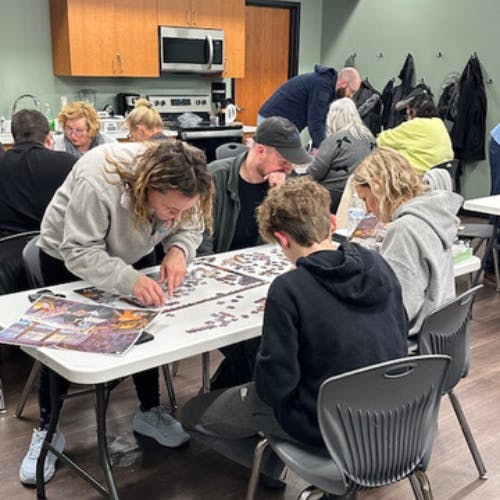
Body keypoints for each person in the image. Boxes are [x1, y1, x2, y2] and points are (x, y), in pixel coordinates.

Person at [181, 176, 408, 481]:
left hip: (324, 425)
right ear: (330, 223)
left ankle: (276, 471)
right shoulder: (376, 262)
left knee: (191, 414)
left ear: (283, 240)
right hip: (397, 413)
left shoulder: (288, 289)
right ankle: (279, 461)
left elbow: (276, 387)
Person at [19, 140, 213, 486]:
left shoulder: (190, 176)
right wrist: (127, 279)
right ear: (147, 186)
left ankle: (149, 412)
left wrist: (179, 250)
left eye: (183, 209)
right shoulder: (98, 178)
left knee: (147, 329)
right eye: (171, 209)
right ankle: (48, 431)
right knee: (65, 344)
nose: (177, 216)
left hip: (135, 243)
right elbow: (78, 250)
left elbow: (189, 224)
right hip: (69, 254)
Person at [197, 116, 311, 390]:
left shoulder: (286, 183)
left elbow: (300, 236)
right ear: (260, 150)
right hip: (219, 281)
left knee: (287, 333)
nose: (289, 167)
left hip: (266, 279)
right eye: (284, 160)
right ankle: (234, 400)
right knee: (258, 345)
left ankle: (229, 397)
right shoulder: (215, 177)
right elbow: (200, 243)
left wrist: (281, 199)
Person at [352, 147, 463, 351]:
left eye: (365, 199)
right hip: (440, 344)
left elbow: (397, 310)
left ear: (378, 187)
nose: (367, 209)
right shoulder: (433, 215)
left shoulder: (404, 229)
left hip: (412, 349)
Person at [0, 109, 76, 239]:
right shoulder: (68, 162)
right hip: (54, 247)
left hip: (5, 247)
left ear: (13, 137)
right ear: (48, 137)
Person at [258, 66, 362, 151]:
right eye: (351, 91)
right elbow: (316, 122)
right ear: (343, 82)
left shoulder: (329, 87)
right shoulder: (322, 86)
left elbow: (323, 121)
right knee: (277, 163)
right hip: (273, 121)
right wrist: (322, 150)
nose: (351, 96)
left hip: (283, 123)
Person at [307, 97, 375, 213]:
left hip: (332, 197)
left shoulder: (335, 140)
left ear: (333, 118)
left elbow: (314, 173)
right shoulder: (370, 139)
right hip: (362, 195)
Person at [376, 87, 454, 173]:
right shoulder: (439, 124)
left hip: (416, 178)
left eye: (407, 113)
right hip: (439, 178)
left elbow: (381, 140)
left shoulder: (416, 125)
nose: (407, 118)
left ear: (413, 111)